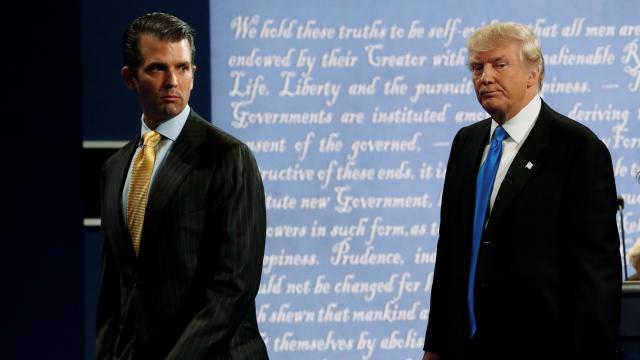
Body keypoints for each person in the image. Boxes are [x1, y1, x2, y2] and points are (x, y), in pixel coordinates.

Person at [422, 22, 621, 360]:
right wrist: (436, 347)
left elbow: (595, 278)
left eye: (499, 65)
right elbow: (452, 255)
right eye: (477, 67)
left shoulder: (577, 147)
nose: (485, 77)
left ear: (533, 74)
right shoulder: (466, 143)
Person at [96, 12, 268, 359]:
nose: (173, 80)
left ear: (194, 73)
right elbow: (114, 290)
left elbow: (233, 287)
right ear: (130, 78)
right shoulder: (115, 169)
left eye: (183, 67)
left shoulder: (228, 157)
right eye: (158, 68)